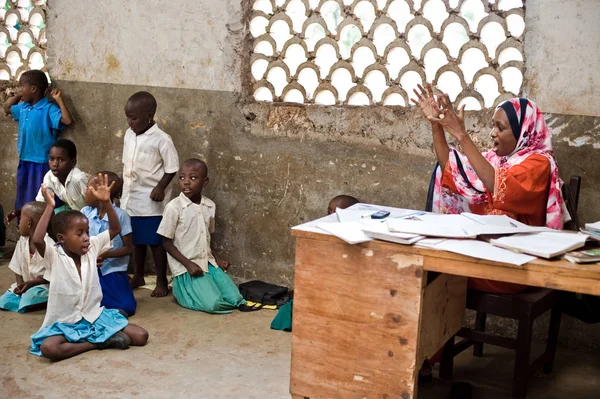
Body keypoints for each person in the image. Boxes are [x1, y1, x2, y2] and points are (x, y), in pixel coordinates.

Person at [413, 84, 568, 294]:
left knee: (432, 271)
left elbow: (497, 185)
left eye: (500, 128)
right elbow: (451, 168)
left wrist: (462, 135)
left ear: (523, 132)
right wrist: (436, 126)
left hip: (513, 266)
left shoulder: (539, 164)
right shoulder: (497, 159)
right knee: (426, 266)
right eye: (493, 126)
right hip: (486, 253)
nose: (492, 133)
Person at [30, 174, 148, 361]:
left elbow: (114, 230)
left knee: (141, 336)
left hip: (94, 316)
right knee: (49, 348)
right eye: (79, 234)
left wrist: (107, 202)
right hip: (66, 322)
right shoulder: (54, 254)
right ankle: (96, 343)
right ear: (61, 238)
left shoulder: (92, 247)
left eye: (87, 232)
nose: (86, 237)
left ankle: (101, 331)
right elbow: (37, 239)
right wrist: (49, 207)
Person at [157, 159, 245, 313]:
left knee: (236, 299)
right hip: (187, 267)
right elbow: (166, 243)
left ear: (205, 182)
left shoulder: (210, 206)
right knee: (214, 305)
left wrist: (218, 259)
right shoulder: (174, 207)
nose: (186, 182)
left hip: (207, 262)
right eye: (182, 177)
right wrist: (188, 264)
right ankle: (181, 290)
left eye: (192, 178)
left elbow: (206, 238)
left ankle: (203, 287)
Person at [121, 92, 179, 297]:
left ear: (150, 115)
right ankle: (138, 275)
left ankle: (162, 280)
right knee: (135, 240)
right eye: (127, 117)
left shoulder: (161, 139)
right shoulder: (129, 135)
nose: (129, 122)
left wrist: (161, 187)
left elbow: (172, 167)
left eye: (134, 118)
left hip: (151, 199)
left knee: (155, 242)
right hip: (131, 197)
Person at [3, 70, 72, 212]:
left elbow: (66, 120)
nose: (20, 89)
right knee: (24, 198)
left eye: (22, 86)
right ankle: (26, 228)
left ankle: (43, 229)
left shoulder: (48, 108)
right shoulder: (23, 108)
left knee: (43, 198)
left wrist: (59, 100)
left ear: (33, 89)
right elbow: (7, 107)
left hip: (42, 163)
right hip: (25, 160)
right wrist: (20, 95)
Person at [81, 172, 137, 316]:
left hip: (111, 270)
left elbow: (128, 248)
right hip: (87, 268)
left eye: (88, 188)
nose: (85, 191)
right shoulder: (85, 213)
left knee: (127, 307)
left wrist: (106, 255)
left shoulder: (121, 215)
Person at [0, 201, 54, 313]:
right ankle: (23, 301)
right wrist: (20, 285)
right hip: (26, 284)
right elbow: (17, 267)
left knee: (32, 296)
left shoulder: (49, 244)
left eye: (21, 220)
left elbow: (54, 275)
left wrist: (31, 284)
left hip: (43, 286)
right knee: (4, 300)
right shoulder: (22, 241)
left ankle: (29, 302)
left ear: (29, 223)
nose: (19, 224)